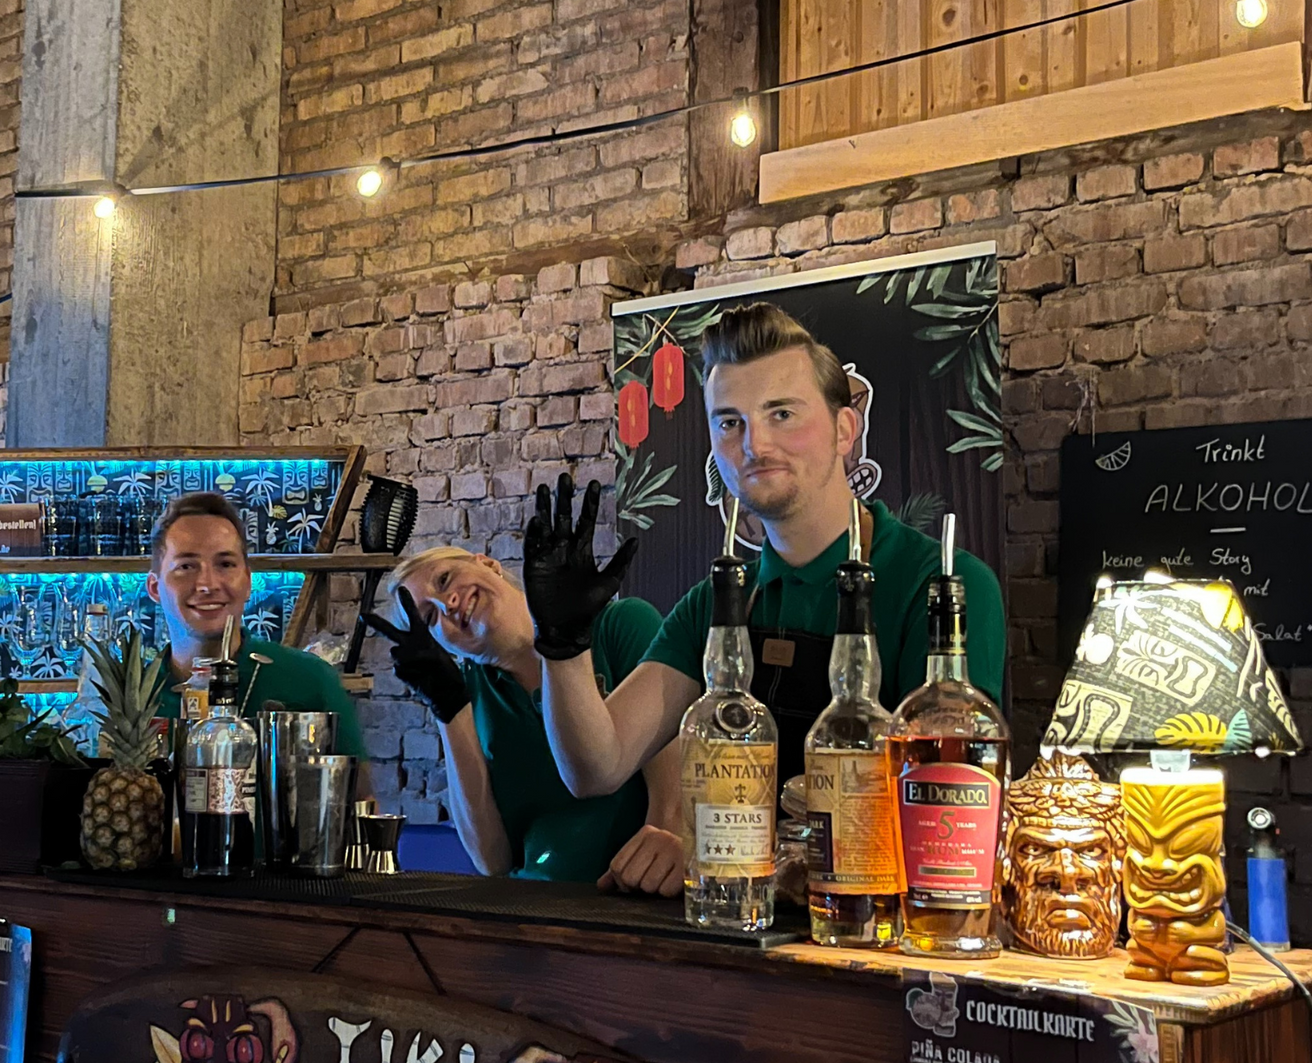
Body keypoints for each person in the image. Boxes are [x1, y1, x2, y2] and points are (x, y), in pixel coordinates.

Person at [528, 302, 1006, 800]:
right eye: (729, 423)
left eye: (782, 414)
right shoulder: (716, 603)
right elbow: (597, 768)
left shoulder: (941, 588)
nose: (755, 445)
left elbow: (945, 806)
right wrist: (563, 647)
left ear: (845, 430)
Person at [363, 547, 685, 894]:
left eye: (445, 580)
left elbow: (672, 810)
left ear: (488, 564)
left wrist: (640, 898)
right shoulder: (467, 691)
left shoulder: (619, 626)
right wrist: (447, 709)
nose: (448, 604)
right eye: (429, 618)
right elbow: (492, 861)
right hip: (532, 901)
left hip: (629, 897)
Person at [141, 492, 365, 756]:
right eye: (186, 566)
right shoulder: (132, 696)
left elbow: (357, 783)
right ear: (154, 587)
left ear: (248, 581)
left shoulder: (312, 680)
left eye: (225, 564)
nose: (207, 584)